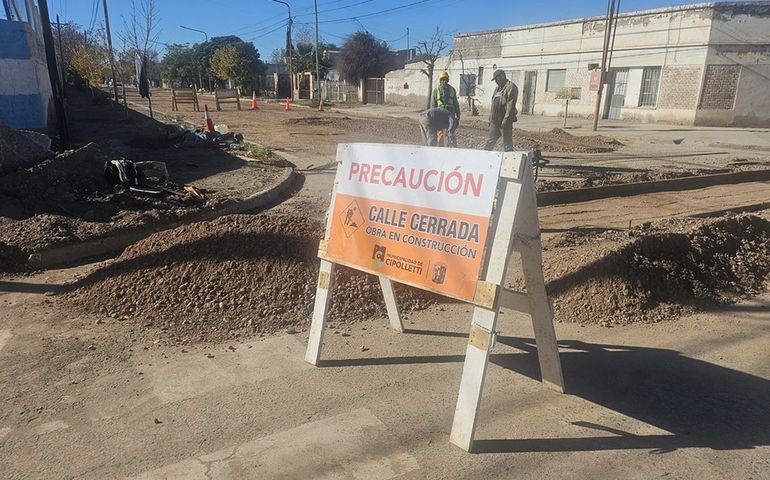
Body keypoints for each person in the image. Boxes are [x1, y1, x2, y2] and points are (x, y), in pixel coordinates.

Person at [484, 69, 518, 151]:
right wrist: (490, 118)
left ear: (502, 76)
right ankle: (485, 160)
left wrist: (505, 121)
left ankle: (509, 160)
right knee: (489, 142)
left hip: (504, 121)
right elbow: (493, 104)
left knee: (507, 143)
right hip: (495, 120)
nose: (495, 81)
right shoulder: (497, 89)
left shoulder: (511, 87)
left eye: (496, 79)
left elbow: (510, 106)